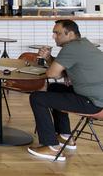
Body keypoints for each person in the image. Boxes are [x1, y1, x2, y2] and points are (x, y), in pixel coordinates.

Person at [27, 19, 103, 161]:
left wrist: (56, 68)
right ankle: (65, 135)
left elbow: (52, 74)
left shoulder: (71, 48)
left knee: (37, 98)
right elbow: (62, 72)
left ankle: (50, 147)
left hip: (93, 102)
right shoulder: (83, 44)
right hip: (95, 97)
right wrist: (49, 58)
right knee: (55, 88)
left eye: (57, 33)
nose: (54, 36)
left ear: (70, 34)